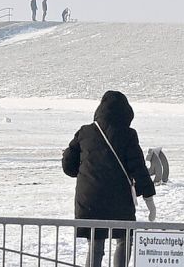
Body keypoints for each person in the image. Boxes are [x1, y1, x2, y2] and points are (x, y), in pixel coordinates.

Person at [62, 90, 156, 267]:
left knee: (96, 243)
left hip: (89, 198)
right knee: (124, 238)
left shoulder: (85, 132)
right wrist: (149, 199)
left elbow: (68, 165)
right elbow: (139, 168)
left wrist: (85, 173)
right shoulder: (128, 135)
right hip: (119, 198)